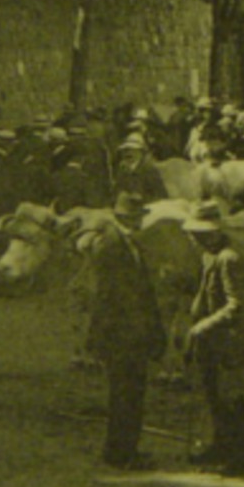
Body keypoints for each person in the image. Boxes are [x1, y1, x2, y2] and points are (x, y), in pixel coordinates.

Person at [87, 192, 166, 469]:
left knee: (132, 395)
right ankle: (120, 454)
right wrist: (100, 338)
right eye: (134, 218)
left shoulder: (131, 244)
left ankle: (125, 449)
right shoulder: (110, 246)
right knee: (124, 396)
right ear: (123, 219)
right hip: (121, 336)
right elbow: (105, 296)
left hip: (134, 334)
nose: (139, 223)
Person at [185, 203, 244, 476]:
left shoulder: (229, 259)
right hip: (213, 342)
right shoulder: (208, 256)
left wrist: (202, 326)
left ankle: (237, 458)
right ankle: (220, 446)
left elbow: (237, 305)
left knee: (231, 399)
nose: (194, 239)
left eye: (199, 234)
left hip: (230, 342)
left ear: (212, 234)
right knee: (213, 396)